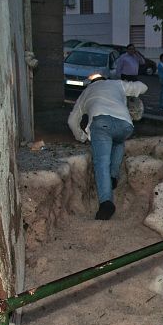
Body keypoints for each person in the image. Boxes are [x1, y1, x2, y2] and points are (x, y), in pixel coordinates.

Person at [67, 76, 148, 220]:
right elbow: (142, 87)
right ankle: (113, 176)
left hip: (101, 122)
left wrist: (82, 137)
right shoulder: (116, 84)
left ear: (92, 83)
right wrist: (130, 91)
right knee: (118, 142)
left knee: (101, 162)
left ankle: (106, 203)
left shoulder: (86, 92)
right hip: (125, 124)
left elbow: (72, 121)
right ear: (105, 80)